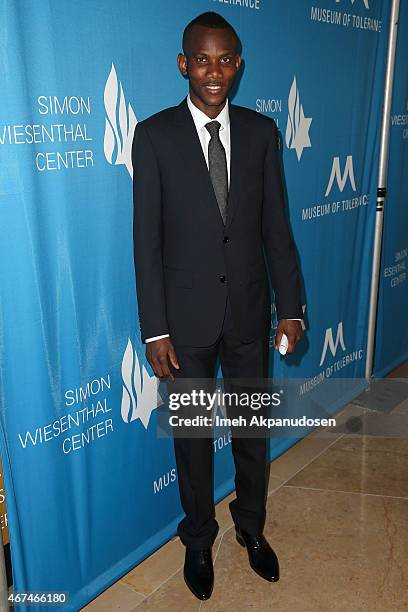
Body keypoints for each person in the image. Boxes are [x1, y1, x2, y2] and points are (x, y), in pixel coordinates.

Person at [132, 11, 304, 601]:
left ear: (239, 65)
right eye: (202, 60)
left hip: (251, 316)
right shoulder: (153, 136)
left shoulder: (260, 133)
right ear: (184, 63)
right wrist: (154, 328)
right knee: (192, 438)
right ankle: (199, 540)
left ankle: (251, 529)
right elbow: (146, 243)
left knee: (252, 431)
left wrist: (292, 307)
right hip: (184, 324)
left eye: (226, 60)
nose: (215, 72)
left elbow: (277, 228)